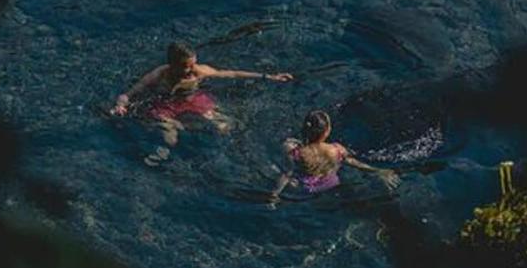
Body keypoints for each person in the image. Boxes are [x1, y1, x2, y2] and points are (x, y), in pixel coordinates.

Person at [110, 42, 293, 148]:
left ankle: (186, 125)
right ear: (172, 64)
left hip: (193, 99)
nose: (190, 70)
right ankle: (174, 129)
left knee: (225, 126)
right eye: (185, 66)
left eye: (192, 64)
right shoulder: (160, 74)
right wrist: (121, 105)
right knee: (170, 140)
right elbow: (129, 93)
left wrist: (268, 76)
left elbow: (231, 73)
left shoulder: (199, 72)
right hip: (165, 105)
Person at [269, 110, 398, 206]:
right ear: (327, 131)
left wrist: (274, 194)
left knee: (282, 172)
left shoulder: (296, 152)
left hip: (306, 189)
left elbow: (287, 174)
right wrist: (378, 170)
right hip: (332, 184)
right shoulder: (337, 149)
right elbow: (354, 162)